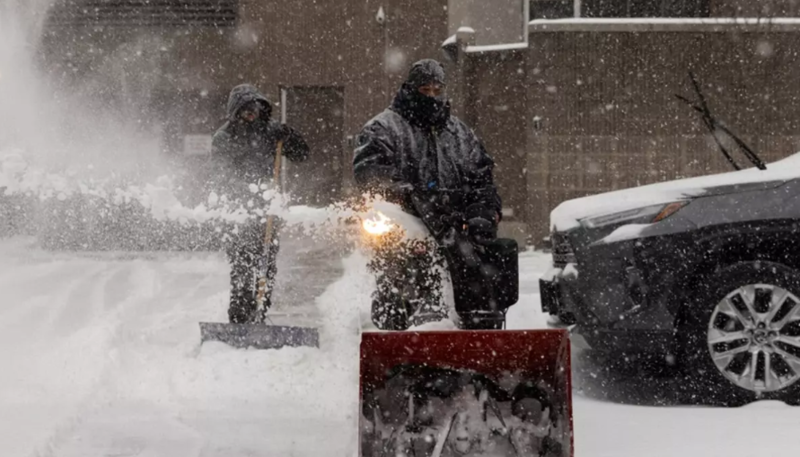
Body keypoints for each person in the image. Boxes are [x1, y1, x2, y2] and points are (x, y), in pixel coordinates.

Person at [353, 59, 513, 330]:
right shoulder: (383, 129)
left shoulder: (460, 133)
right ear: (410, 89)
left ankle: (481, 335)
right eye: (424, 89)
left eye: (436, 90)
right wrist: (412, 198)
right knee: (400, 293)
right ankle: (397, 343)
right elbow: (371, 172)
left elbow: (482, 179)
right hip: (406, 231)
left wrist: (483, 212)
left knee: (493, 267)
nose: (430, 96)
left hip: (457, 231)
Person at [207, 84, 309, 324]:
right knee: (243, 265)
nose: (251, 114)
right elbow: (220, 174)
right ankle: (240, 317)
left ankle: (259, 315)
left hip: (268, 212)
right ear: (236, 111)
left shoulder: (269, 131)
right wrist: (244, 190)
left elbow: (302, 154)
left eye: (255, 109)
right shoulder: (224, 138)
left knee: (265, 265)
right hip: (239, 212)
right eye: (246, 110)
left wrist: (290, 137)